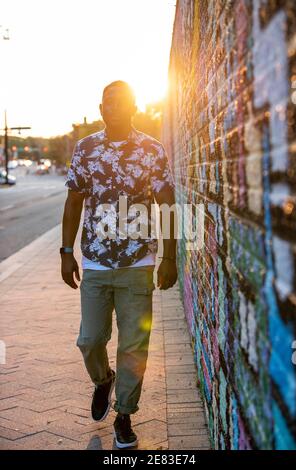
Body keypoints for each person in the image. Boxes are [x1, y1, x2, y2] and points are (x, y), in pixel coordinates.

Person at [61, 80, 177, 449]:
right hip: (95, 260)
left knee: (135, 343)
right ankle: (102, 380)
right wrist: (66, 252)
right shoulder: (85, 149)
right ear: (101, 109)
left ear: (133, 107)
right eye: (108, 103)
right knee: (90, 339)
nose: (115, 108)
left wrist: (169, 256)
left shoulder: (151, 150)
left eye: (122, 102)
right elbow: (74, 201)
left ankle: (124, 415)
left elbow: (167, 201)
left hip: (138, 260)